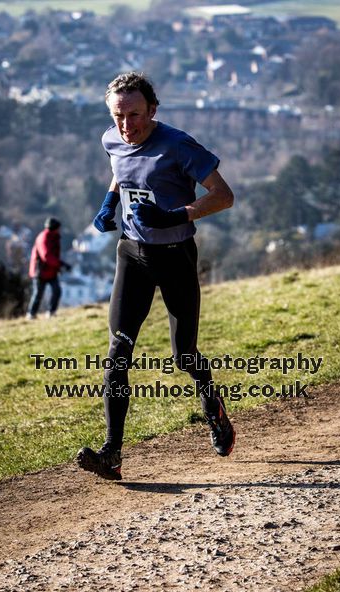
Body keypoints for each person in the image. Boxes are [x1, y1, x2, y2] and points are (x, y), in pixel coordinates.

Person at [77, 72, 235, 481]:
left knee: (184, 354)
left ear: (153, 109)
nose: (126, 126)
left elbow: (224, 195)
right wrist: (110, 200)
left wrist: (175, 214)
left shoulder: (178, 145)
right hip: (132, 254)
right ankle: (112, 453)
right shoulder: (111, 138)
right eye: (118, 116)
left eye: (135, 115)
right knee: (117, 352)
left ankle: (211, 404)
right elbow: (121, 165)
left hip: (175, 255)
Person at [26, 217, 70, 319]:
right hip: (40, 271)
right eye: (58, 228)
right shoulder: (43, 238)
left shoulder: (55, 236)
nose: (60, 230)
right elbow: (46, 256)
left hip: (51, 270)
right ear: (54, 228)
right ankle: (31, 314)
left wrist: (59, 265)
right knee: (38, 293)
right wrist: (61, 264)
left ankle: (51, 312)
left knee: (57, 290)